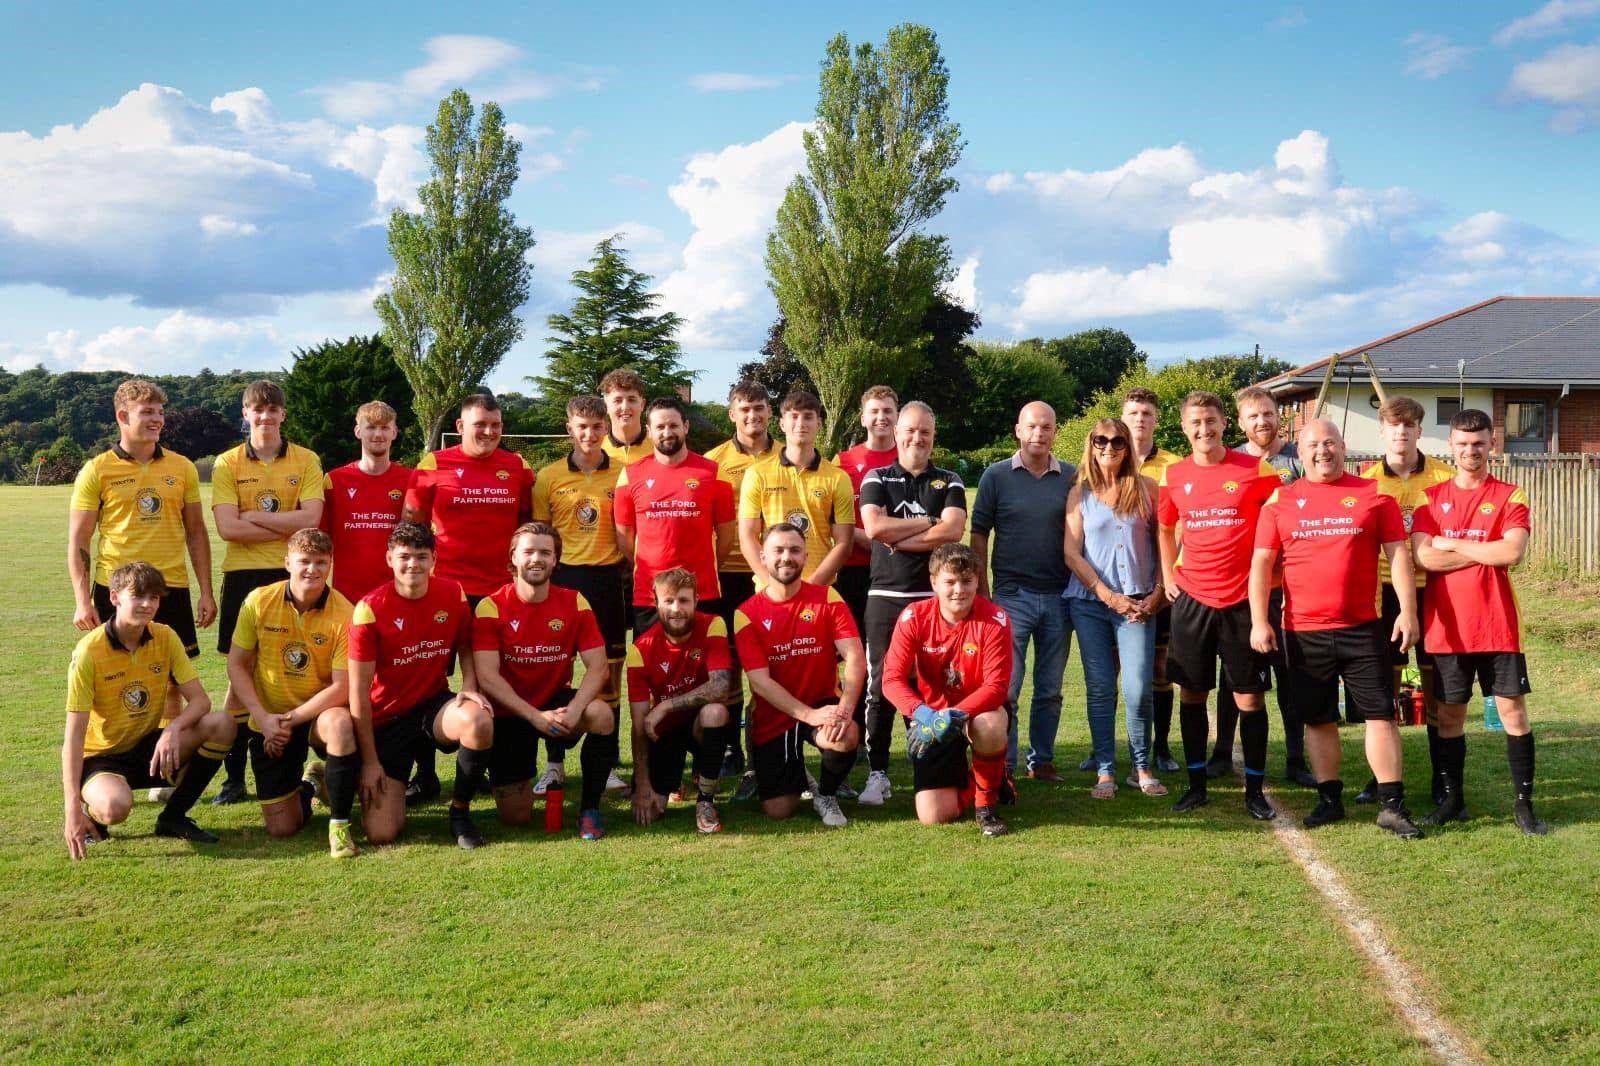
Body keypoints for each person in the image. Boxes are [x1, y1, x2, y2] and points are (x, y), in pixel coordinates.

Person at [1250, 419, 1424, 839]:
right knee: (1317, 719)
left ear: (1344, 447)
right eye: (1312, 445)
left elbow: (1398, 555)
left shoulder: (1372, 494)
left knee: (1380, 715)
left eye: (1330, 443)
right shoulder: (1280, 500)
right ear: (1301, 452)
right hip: (1303, 630)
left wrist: (1408, 611)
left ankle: (1391, 805)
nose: (1322, 451)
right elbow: (1260, 563)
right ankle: (1330, 799)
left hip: (1362, 627)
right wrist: (1259, 620)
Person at [1411, 408, 1548, 835]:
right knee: (1449, 717)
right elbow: (1423, 557)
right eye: (1463, 444)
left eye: (1479, 443)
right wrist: (1478, 548)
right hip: (1447, 627)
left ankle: (1524, 804)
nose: (1471, 450)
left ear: (1492, 445)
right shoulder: (1429, 499)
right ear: (1450, 446)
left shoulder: (1511, 495)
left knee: (1513, 714)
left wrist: (1453, 543)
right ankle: (1453, 800)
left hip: (1497, 625)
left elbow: (1511, 553)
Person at [402, 392, 533, 805]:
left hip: (498, 596)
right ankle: (423, 774)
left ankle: (486, 764)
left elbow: (527, 525)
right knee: (424, 680)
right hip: (443, 595)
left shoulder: (517, 467)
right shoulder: (433, 465)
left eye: (496, 425)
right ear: (460, 427)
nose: (490, 432)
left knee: (497, 683)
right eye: (481, 425)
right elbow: (412, 528)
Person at [1156, 391, 1280, 820]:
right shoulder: (1174, 475)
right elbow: (1166, 528)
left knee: (1249, 698)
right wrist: (1170, 575)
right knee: (1191, 693)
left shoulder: (1255, 470)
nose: (1203, 430)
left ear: (1225, 423)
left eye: (1211, 421)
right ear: (1184, 428)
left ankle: (1255, 792)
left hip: (1243, 600)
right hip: (1193, 599)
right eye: (1195, 423)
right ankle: (1195, 786)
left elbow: (1279, 523)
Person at [68, 379, 214, 736]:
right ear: (122, 415)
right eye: (147, 412)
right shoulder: (97, 469)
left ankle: (163, 766)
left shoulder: (182, 467)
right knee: (117, 676)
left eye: (161, 412)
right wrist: (81, 601)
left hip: (170, 586)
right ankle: (119, 754)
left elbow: (196, 531)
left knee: (172, 682)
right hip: (116, 591)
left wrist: (206, 591)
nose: (157, 419)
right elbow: (79, 540)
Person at [63, 562, 236, 859]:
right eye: (138, 596)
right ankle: (94, 815)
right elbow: (74, 737)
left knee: (222, 723)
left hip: (149, 746)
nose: (147, 604)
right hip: (102, 756)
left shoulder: (165, 637)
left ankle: (174, 817)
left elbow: (200, 701)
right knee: (115, 807)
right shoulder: (89, 652)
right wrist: (71, 809)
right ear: (115, 597)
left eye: (154, 597)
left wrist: (172, 729)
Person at [347, 522, 496, 849]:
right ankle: (340, 778)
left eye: (421, 556)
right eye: (404, 557)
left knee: (478, 719)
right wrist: (371, 762)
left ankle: (460, 813)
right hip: (387, 719)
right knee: (382, 833)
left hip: (432, 706)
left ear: (434, 560)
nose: (413, 564)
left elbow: (465, 645)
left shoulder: (452, 593)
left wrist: (469, 684)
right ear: (389, 559)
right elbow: (357, 694)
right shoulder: (369, 610)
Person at [211, 379, 325, 804]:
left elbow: (311, 520)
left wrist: (253, 516)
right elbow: (226, 528)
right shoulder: (225, 463)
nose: (265, 416)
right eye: (257, 409)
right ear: (246, 413)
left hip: (294, 572)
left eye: (272, 409)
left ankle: (307, 755)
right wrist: (285, 521)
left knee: (297, 666)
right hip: (242, 575)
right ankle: (233, 778)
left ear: (283, 414)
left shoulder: (307, 459)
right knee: (239, 677)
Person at [471, 522, 616, 841]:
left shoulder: (574, 602)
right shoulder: (491, 606)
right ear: (513, 557)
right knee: (516, 817)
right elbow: (487, 677)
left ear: (555, 560)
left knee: (602, 714)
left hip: (557, 704)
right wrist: (534, 717)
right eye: (529, 551)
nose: (536, 559)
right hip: (511, 713)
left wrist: (576, 709)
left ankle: (589, 808)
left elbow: (598, 667)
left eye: (545, 553)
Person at [855, 401, 967, 806]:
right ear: (898, 432)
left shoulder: (949, 480)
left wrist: (899, 538)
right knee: (882, 684)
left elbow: (953, 529)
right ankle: (878, 772)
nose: (917, 438)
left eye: (925, 432)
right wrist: (927, 524)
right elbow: (873, 526)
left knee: (936, 683)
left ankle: (930, 762)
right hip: (886, 596)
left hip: (934, 599)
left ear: (933, 437)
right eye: (911, 430)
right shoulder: (877, 476)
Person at [225, 529, 361, 857]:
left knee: (340, 724)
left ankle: (339, 827)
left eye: (320, 562)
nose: (312, 570)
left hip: (314, 716)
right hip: (268, 720)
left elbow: (342, 686)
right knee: (282, 828)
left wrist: (289, 719)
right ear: (287, 562)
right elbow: (237, 665)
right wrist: (264, 719)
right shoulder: (258, 601)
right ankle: (314, 783)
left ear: (330, 565)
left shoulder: (345, 612)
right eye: (304, 561)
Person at [1208, 385, 1317, 787]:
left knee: (1291, 674)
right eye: (1253, 416)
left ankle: (1294, 757)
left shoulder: (1298, 461)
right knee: (1235, 674)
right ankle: (1221, 752)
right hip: (1240, 587)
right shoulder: (1231, 463)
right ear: (1240, 422)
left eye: (1268, 414)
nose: (1262, 422)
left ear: (1279, 417)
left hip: (1290, 587)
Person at [1354, 395, 1454, 806]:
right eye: (1393, 425)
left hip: (1435, 588)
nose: (1401, 432)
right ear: (1382, 430)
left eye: (1409, 425)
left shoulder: (1445, 476)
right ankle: (1382, 778)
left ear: (1419, 430)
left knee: (1436, 682)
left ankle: (1440, 775)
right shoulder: (1364, 480)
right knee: (1385, 683)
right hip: (1382, 590)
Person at [530, 395, 630, 801]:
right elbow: (538, 536)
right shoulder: (548, 476)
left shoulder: (625, 473)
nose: (589, 434)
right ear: (569, 429)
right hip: (564, 581)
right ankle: (553, 766)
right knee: (556, 671)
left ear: (606, 429)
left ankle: (605, 765)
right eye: (581, 426)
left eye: (596, 426)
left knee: (609, 672)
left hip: (608, 583)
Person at [1062, 418, 1167, 800]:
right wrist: (1108, 596)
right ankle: (1105, 769)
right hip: (1091, 603)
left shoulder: (1147, 489)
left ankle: (1142, 766)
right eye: (1101, 440)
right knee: (1101, 687)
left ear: (1127, 447)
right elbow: (1071, 552)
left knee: (1139, 688)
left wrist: (1157, 592)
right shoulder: (1080, 493)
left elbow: (1164, 545)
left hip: (1139, 603)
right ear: (1091, 445)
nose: (1109, 447)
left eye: (1118, 441)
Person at [971, 400, 1075, 784]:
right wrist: (983, 592)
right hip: (1010, 595)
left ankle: (1041, 761)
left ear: (1055, 432)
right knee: (1006, 689)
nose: (1038, 433)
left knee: (1050, 689)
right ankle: (1005, 764)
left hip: (1058, 597)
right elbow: (979, 534)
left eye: (1046, 427)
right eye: (1032, 426)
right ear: (1018, 430)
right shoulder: (995, 476)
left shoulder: (1071, 476)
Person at [733, 524, 865, 827]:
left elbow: (855, 657)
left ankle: (826, 794)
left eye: (794, 550)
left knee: (846, 735)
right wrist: (808, 715)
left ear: (806, 557)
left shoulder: (827, 597)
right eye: (778, 550)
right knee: (779, 809)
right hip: (776, 712)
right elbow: (760, 683)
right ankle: (798, 774)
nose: (786, 557)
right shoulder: (746, 613)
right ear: (763, 558)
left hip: (823, 701)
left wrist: (843, 710)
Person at [882, 544, 1014, 837]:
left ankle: (986, 806)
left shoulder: (995, 620)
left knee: (990, 725)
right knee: (935, 816)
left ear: (977, 581)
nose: (959, 590)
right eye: (950, 581)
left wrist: (953, 715)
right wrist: (925, 715)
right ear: (933, 582)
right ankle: (989, 776)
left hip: (977, 712)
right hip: (933, 717)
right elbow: (891, 679)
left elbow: (996, 687)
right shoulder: (914, 617)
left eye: (966, 581)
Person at [705, 381, 778, 786]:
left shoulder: (786, 455)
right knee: (729, 664)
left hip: (775, 576)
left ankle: (769, 743)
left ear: (770, 412)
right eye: (744, 409)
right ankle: (732, 745)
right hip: (726, 576)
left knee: (773, 663)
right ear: (731, 414)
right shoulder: (713, 461)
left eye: (760, 408)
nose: (753, 416)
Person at [613, 397, 736, 636]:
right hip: (649, 596)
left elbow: (726, 537)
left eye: (673, 425)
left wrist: (705, 568)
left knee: (703, 670)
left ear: (686, 426)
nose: (667, 432)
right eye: (660, 427)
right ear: (649, 431)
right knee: (649, 667)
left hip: (702, 592)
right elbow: (624, 538)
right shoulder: (630, 475)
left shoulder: (714, 472)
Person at [627, 569, 736, 833]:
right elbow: (640, 723)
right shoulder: (640, 649)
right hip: (665, 733)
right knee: (650, 812)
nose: (677, 609)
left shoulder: (713, 624)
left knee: (715, 712)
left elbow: (721, 687)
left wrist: (665, 705)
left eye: (684, 601)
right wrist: (642, 785)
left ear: (697, 600)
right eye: (669, 601)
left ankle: (706, 801)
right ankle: (673, 782)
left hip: (701, 725)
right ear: (656, 603)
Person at [737, 389, 855, 588]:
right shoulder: (757, 474)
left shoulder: (838, 478)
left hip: (819, 590)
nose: (800, 424)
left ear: (819, 423)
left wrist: (809, 589)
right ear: (782, 423)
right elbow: (747, 536)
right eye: (794, 416)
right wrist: (773, 586)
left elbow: (844, 543)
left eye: (808, 417)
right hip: (769, 591)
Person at [1123, 387, 1183, 773]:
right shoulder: (1108, 459)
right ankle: (1107, 749)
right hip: (1120, 584)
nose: (1140, 419)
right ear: (1123, 417)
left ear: (1156, 419)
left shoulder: (1174, 466)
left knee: (1160, 670)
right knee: (1115, 671)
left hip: (1162, 583)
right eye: (1133, 413)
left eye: (1147, 412)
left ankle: (1160, 747)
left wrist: (1167, 580)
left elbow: (1179, 528)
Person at [320, 400, 411, 604]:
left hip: (397, 592)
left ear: (394, 432)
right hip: (344, 595)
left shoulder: (410, 479)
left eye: (385, 428)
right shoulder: (334, 481)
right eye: (370, 427)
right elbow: (321, 540)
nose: (378, 435)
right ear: (358, 431)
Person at [833, 385, 901, 630]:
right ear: (863, 419)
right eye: (874, 411)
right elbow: (835, 521)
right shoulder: (843, 462)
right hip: (854, 568)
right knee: (857, 645)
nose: (881, 417)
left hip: (901, 567)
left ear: (897, 417)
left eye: (887, 411)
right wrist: (875, 541)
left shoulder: (911, 459)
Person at [599, 368, 653, 467]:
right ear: (605, 406)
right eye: (617, 400)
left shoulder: (659, 451)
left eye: (632, 400)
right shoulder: (595, 452)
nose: (625, 407)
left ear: (642, 404)